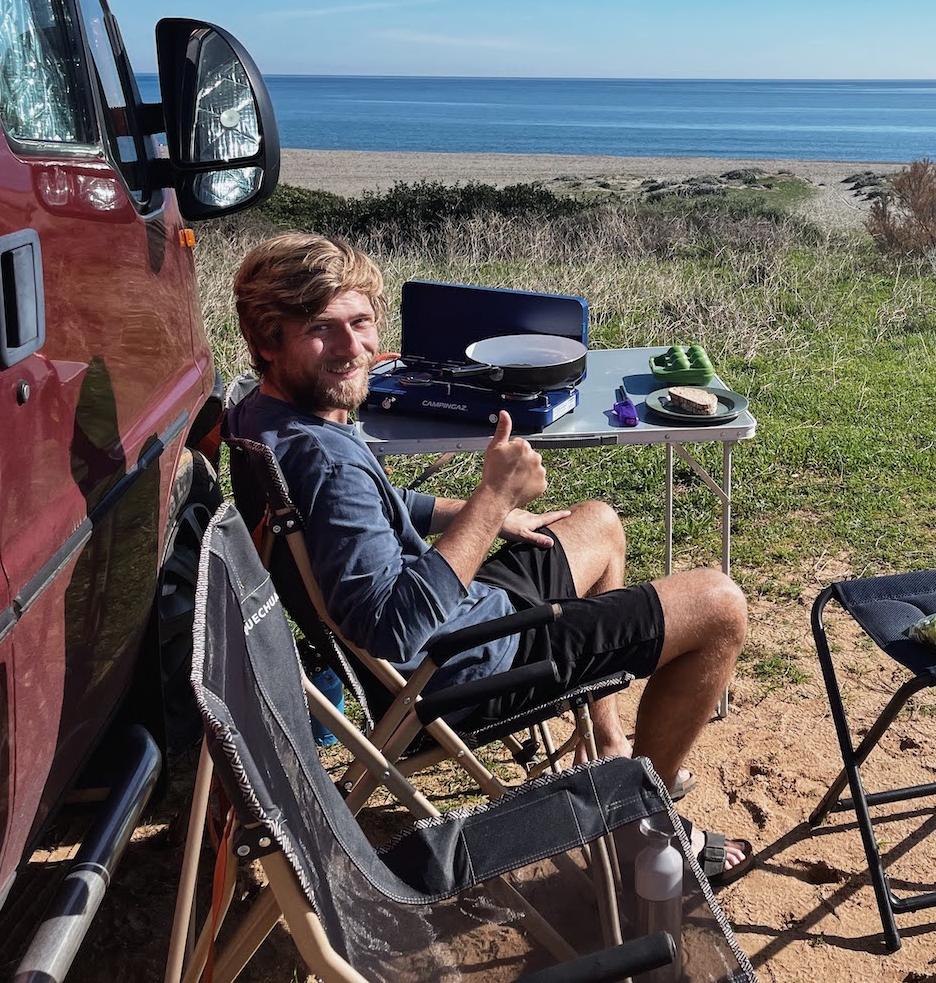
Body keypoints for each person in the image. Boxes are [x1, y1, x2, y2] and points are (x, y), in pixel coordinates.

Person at [228, 231, 752, 881]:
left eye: (360, 321)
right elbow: (393, 627)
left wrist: (495, 516)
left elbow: (377, 506)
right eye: (319, 328)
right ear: (269, 337)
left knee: (601, 523)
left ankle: (610, 752)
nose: (352, 347)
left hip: (466, 622)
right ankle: (638, 822)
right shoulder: (324, 459)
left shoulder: (263, 418)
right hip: (464, 669)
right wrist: (492, 493)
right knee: (721, 605)